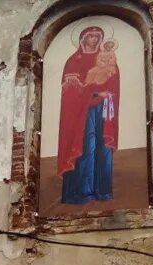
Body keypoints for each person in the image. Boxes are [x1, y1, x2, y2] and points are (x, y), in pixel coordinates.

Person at [57, 26, 120, 205]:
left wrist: (107, 91)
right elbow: (71, 93)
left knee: (104, 148)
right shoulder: (73, 61)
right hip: (83, 112)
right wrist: (94, 93)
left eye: (96, 37)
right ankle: (82, 193)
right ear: (83, 38)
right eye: (90, 37)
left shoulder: (106, 57)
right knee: (87, 146)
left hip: (104, 107)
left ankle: (103, 192)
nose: (93, 40)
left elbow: (114, 80)